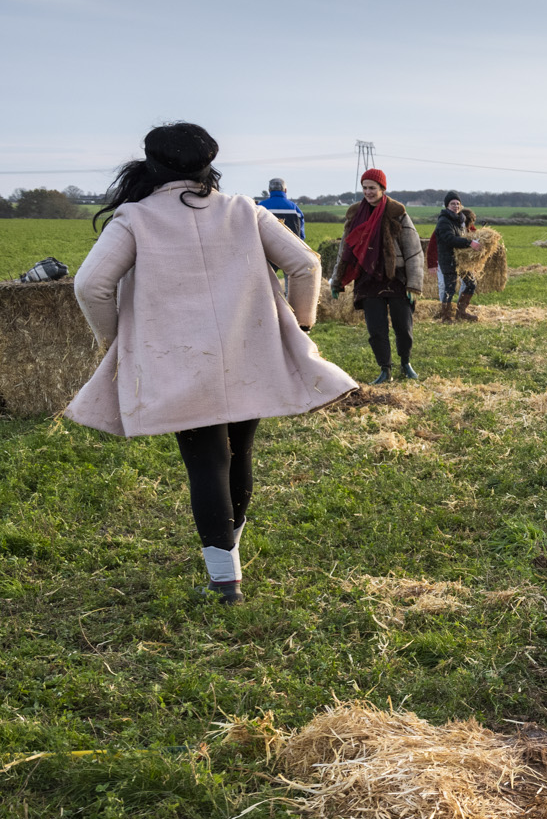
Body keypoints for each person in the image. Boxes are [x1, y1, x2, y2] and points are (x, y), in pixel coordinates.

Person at [66, 123, 357, 604]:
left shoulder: (134, 218)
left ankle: (225, 583)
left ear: (153, 164)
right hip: (249, 352)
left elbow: (89, 285)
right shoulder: (245, 210)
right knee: (238, 453)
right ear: (208, 164)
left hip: (179, 361)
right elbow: (305, 263)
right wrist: (301, 325)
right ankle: (229, 558)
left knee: (205, 464)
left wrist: (115, 339)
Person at [333, 168, 425, 383]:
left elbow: (413, 250)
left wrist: (413, 285)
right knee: (376, 328)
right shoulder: (354, 214)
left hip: (396, 278)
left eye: (372, 188)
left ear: (383, 189)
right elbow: (345, 249)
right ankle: (385, 369)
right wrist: (337, 279)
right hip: (368, 279)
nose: (368, 192)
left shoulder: (397, 213)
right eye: (364, 188)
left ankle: (406, 363)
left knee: (403, 325)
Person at [429, 192, 481, 321]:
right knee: (449, 288)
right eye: (452, 203)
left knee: (471, 283)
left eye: (458, 203)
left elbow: (466, 234)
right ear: (447, 205)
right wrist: (469, 243)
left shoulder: (459, 220)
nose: (456, 206)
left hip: (460, 260)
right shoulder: (444, 221)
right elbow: (449, 239)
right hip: (448, 259)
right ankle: (446, 316)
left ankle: (460, 312)